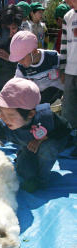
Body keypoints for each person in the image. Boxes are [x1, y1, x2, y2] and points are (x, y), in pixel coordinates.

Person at [9, 30, 64, 104]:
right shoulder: (22, 67)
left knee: (51, 90)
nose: (20, 62)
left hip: (58, 97)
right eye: (18, 60)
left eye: (22, 58)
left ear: (34, 52)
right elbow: (16, 85)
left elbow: (67, 74)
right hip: (39, 99)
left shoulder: (53, 57)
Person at [60, 0, 77, 157]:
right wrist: (62, 67)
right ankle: (70, 139)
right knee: (69, 109)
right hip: (71, 69)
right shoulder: (68, 16)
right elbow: (64, 45)